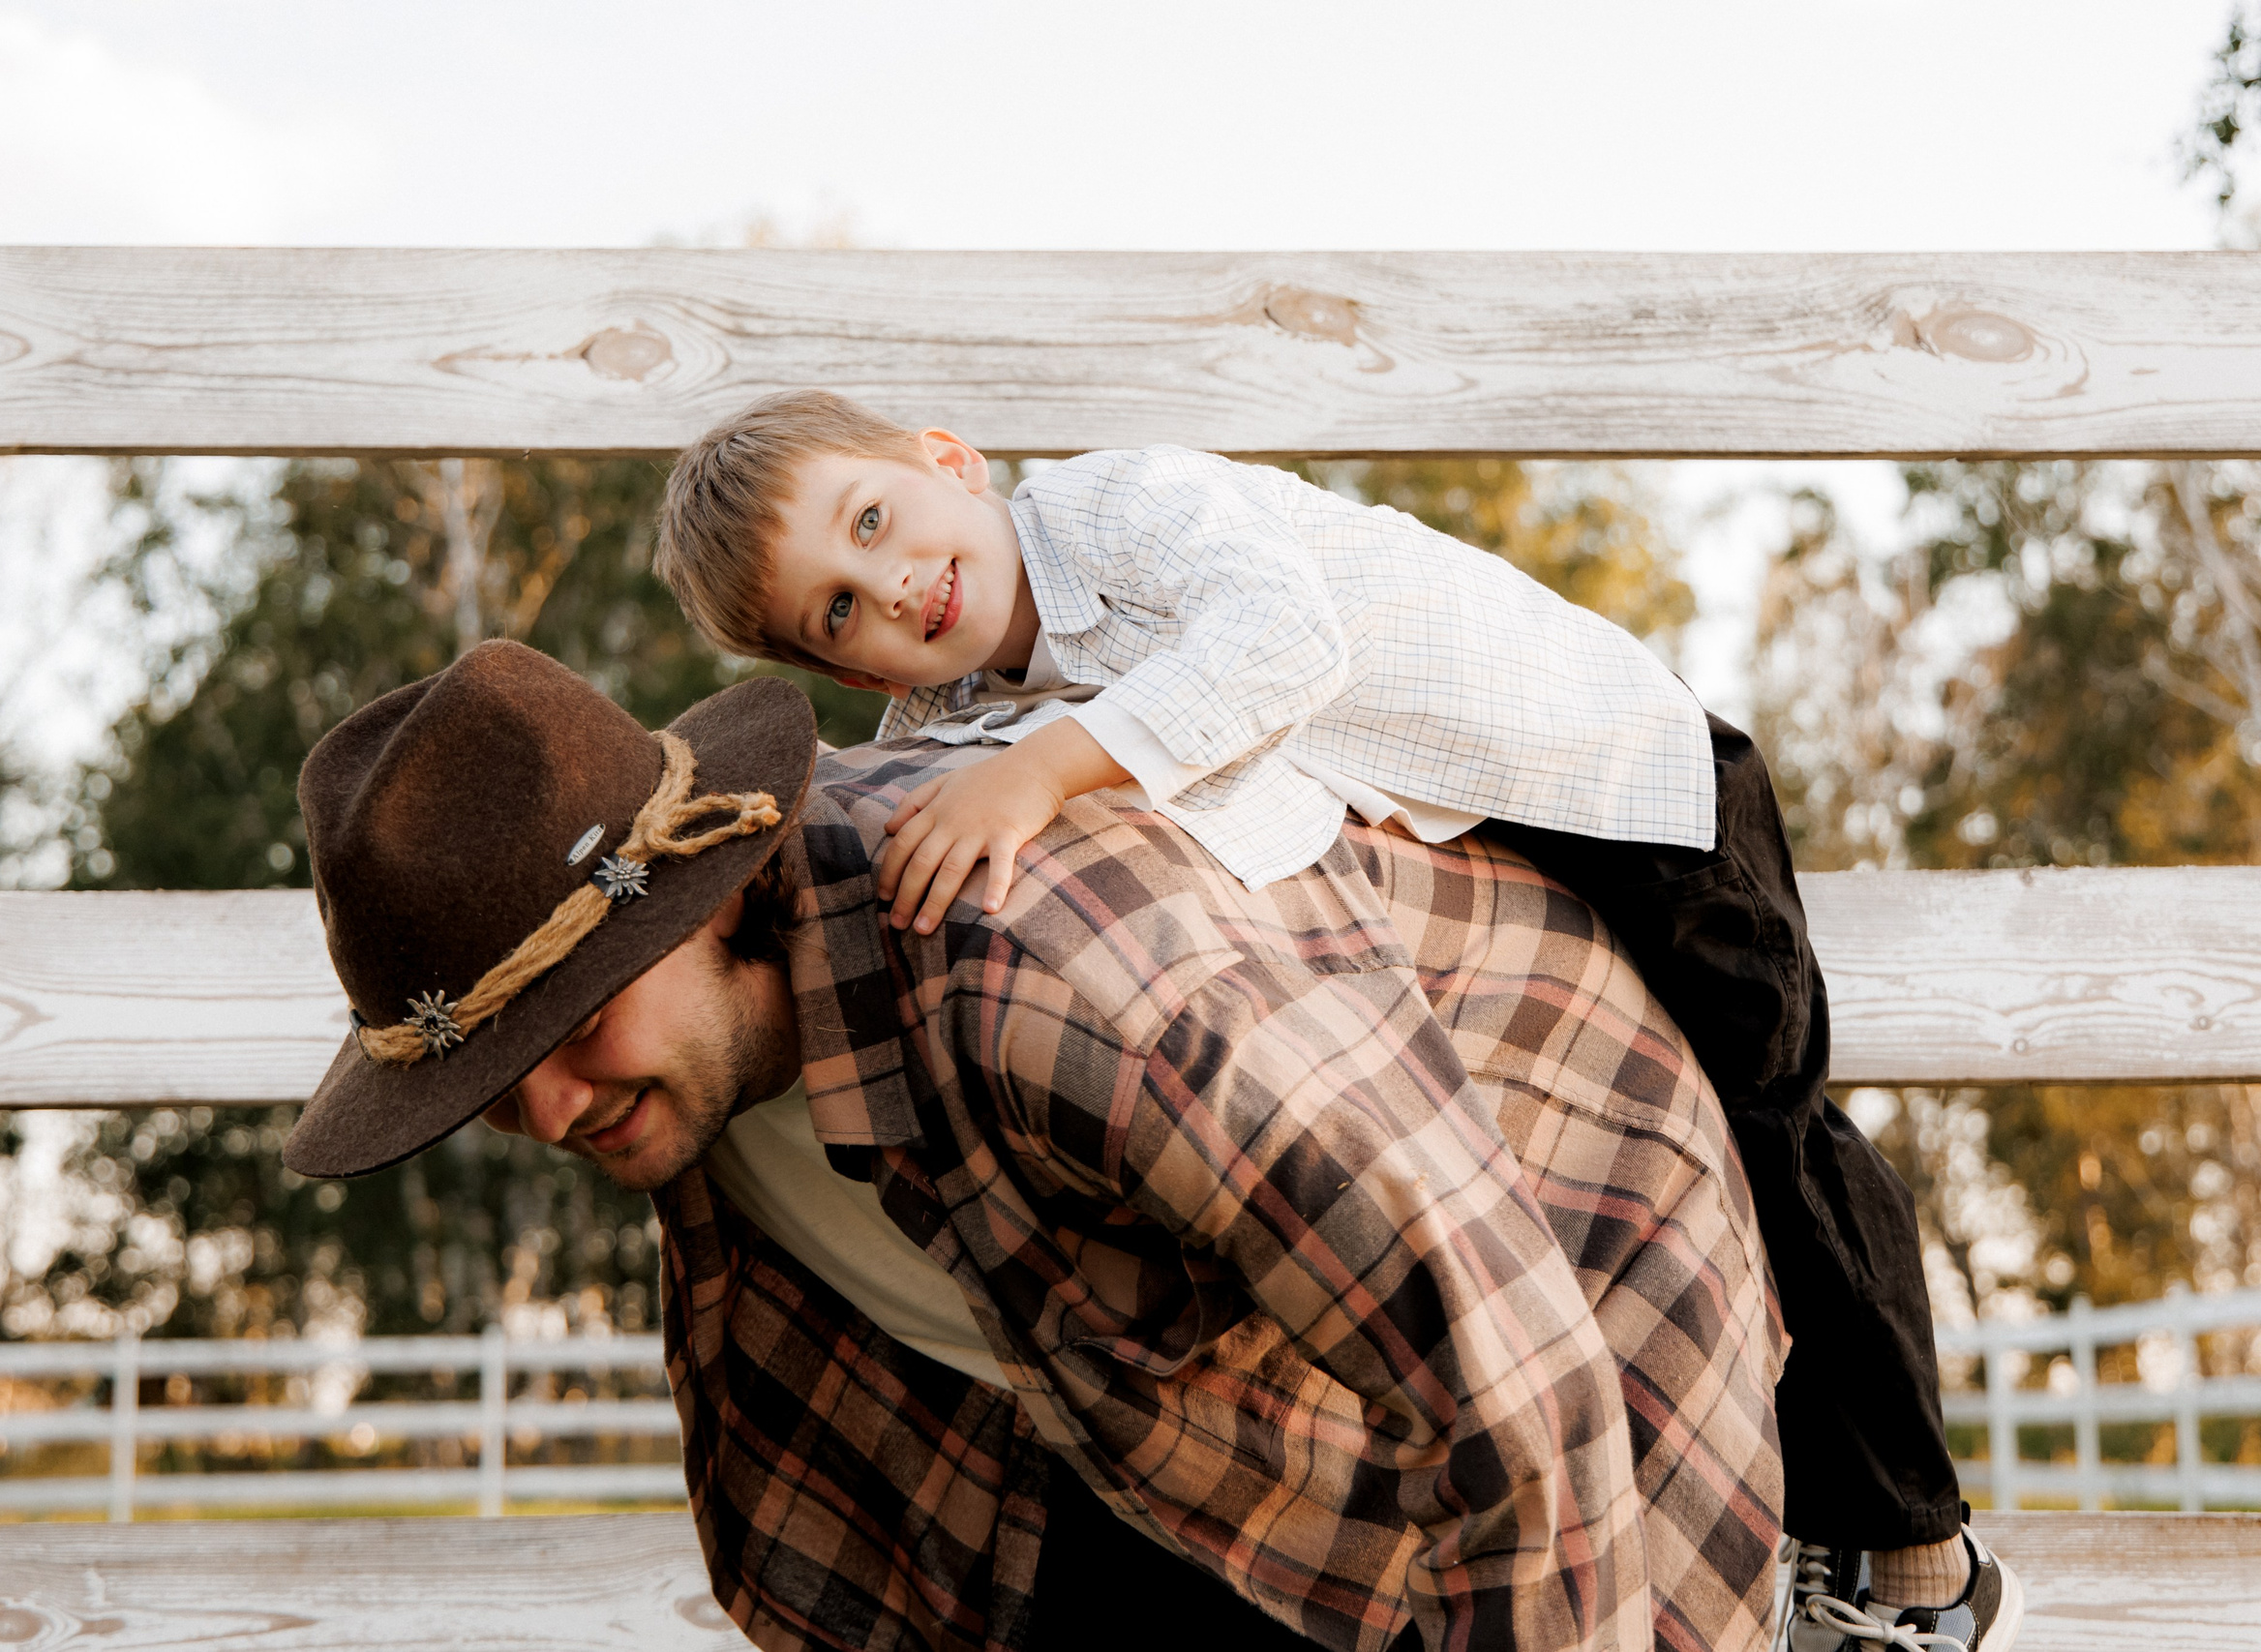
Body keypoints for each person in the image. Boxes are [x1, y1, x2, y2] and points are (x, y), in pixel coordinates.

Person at [649, 391, 2020, 1652]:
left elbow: (1282, 642)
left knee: (1778, 1137)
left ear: (946, 459)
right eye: (837, 612)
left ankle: (1915, 1558)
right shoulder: (946, 721)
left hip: (1618, 782)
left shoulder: (1120, 506)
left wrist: (1046, 773)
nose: (889, 586)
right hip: (1470, 856)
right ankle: (1769, 1552)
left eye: (875, 521)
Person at [285, 641, 1786, 1652]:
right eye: (489, 1074)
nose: (548, 1115)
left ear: (713, 895)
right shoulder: (697, 1074)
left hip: (1572, 1262)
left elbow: (1515, 1397)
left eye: (571, 1032)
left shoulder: (1063, 975)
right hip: (1164, 1394)